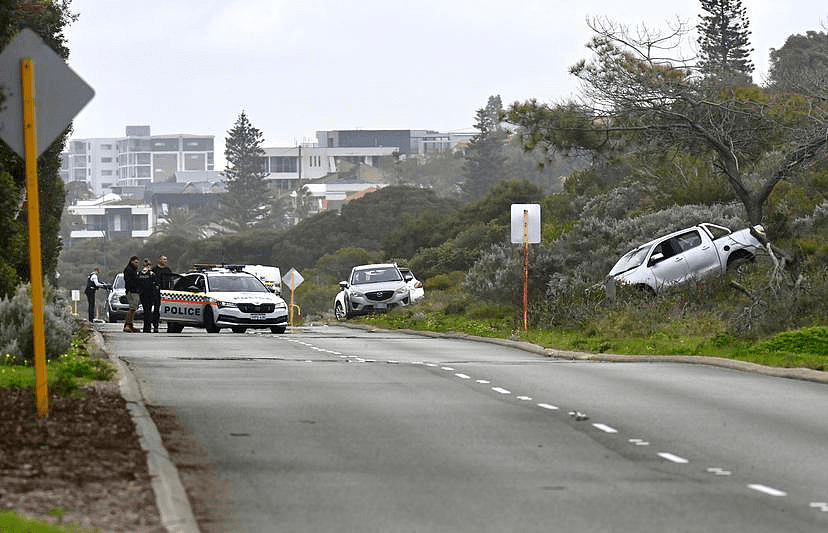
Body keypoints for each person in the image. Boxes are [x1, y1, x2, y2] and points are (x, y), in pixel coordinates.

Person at [151, 255, 175, 333]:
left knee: (168, 310)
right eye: (163, 259)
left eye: (166, 259)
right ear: (159, 260)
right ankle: (155, 326)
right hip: (157, 293)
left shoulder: (168, 270)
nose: (165, 261)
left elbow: (171, 281)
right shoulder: (154, 269)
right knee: (156, 309)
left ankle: (170, 326)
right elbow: (151, 280)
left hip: (166, 293)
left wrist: (171, 289)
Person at [137, 258, 158, 333]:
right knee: (146, 311)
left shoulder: (152, 274)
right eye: (147, 265)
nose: (148, 266)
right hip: (144, 294)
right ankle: (147, 327)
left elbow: (155, 284)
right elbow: (139, 283)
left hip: (151, 295)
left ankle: (148, 327)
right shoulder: (140, 273)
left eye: (149, 265)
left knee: (148, 311)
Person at [122, 256, 141, 332]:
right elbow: (130, 282)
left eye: (138, 263)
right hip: (132, 291)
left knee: (133, 309)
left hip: (134, 291)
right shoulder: (129, 270)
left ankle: (130, 325)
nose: (137, 264)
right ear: (131, 262)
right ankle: (127, 324)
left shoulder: (133, 270)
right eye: (136, 262)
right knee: (132, 308)